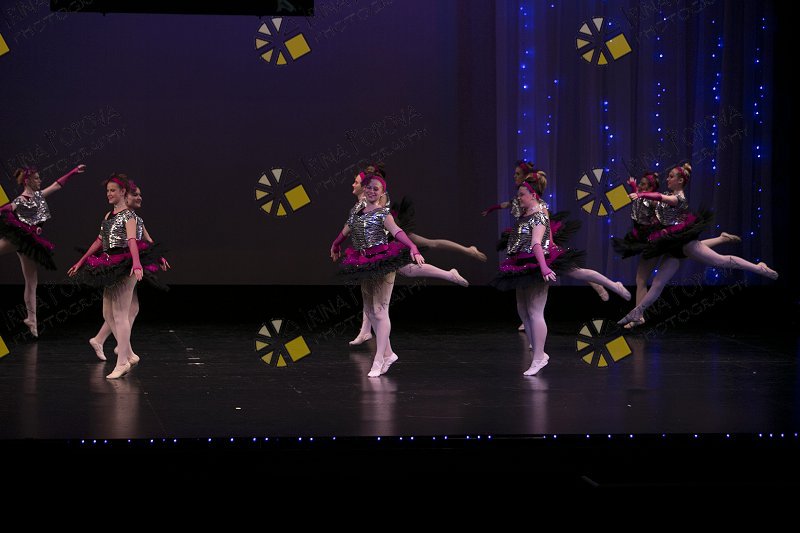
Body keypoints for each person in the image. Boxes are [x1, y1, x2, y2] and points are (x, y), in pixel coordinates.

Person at [617, 163, 778, 326]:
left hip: (683, 242)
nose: (667, 179)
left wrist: (641, 193)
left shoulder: (678, 198)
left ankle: (759, 268)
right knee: (658, 283)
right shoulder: (669, 194)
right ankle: (638, 313)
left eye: (671, 176)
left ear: (680, 181)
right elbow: (652, 201)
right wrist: (635, 189)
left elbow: (658, 197)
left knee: (720, 261)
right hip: (672, 247)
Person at [347, 164, 476, 346]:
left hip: (389, 242)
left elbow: (379, 220)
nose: (355, 184)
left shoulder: (378, 197)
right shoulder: (363, 201)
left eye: (358, 181)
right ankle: (366, 331)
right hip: (377, 247)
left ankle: (381, 347)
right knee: (380, 285)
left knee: (406, 270)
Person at [68, 174, 161, 379]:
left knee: (120, 315)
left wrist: (136, 263)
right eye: (107, 191)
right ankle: (128, 355)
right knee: (107, 314)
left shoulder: (129, 216)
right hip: (109, 264)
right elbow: (99, 241)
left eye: (113, 190)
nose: (109, 194)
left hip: (124, 265)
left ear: (122, 192)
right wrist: (81, 261)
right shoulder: (108, 215)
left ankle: (122, 362)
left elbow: (132, 241)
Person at [331, 173, 424, 377]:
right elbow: (346, 230)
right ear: (364, 189)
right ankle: (389, 354)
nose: (371, 191)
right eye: (369, 187)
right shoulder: (356, 211)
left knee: (380, 312)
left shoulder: (383, 213)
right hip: (364, 263)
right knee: (371, 312)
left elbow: (397, 232)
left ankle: (379, 359)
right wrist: (336, 244)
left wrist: (413, 247)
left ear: (382, 192)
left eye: (376, 188)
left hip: (383, 262)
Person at [490, 174, 584, 375]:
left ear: (533, 195)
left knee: (535, 311)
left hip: (535, 265)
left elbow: (536, 243)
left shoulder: (540, 215)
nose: (519, 198)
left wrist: (543, 268)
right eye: (518, 195)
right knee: (524, 309)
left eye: (522, 195)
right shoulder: (524, 214)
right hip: (521, 265)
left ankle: (539, 357)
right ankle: (539, 353)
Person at [0, 164, 86, 337]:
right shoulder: (21, 200)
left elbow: (56, 185)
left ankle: (32, 320)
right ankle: (32, 319)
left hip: (30, 243)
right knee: (31, 282)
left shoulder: (38, 196)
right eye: (37, 178)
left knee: (32, 282)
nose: (40, 181)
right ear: (27, 181)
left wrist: (72, 172)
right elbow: (7, 209)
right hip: (20, 237)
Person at [87, 183, 169, 362]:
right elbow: (109, 240)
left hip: (131, 265)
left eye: (140, 195)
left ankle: (103, 341)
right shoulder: (119, 216)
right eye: (135, 195)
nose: (139, 198)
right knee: (119, 310)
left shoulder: (137, 219)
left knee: (130, 308)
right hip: (122, 264)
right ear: (125, 196)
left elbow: (148, 240)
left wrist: (159, 257)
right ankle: (121, 348)